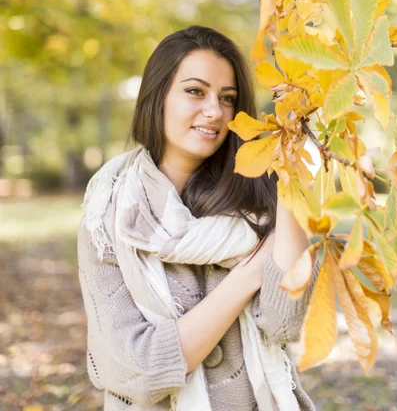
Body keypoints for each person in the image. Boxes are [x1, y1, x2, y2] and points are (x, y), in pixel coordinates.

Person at [77, 24, 321, 411]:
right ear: (158, 97)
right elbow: (136, 371)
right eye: (195, 91)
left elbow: (283, 322)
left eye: (228, 98)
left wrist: (290, 169)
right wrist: (249, 275)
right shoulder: (109, 209)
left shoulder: (269, 195)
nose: (215, 111)